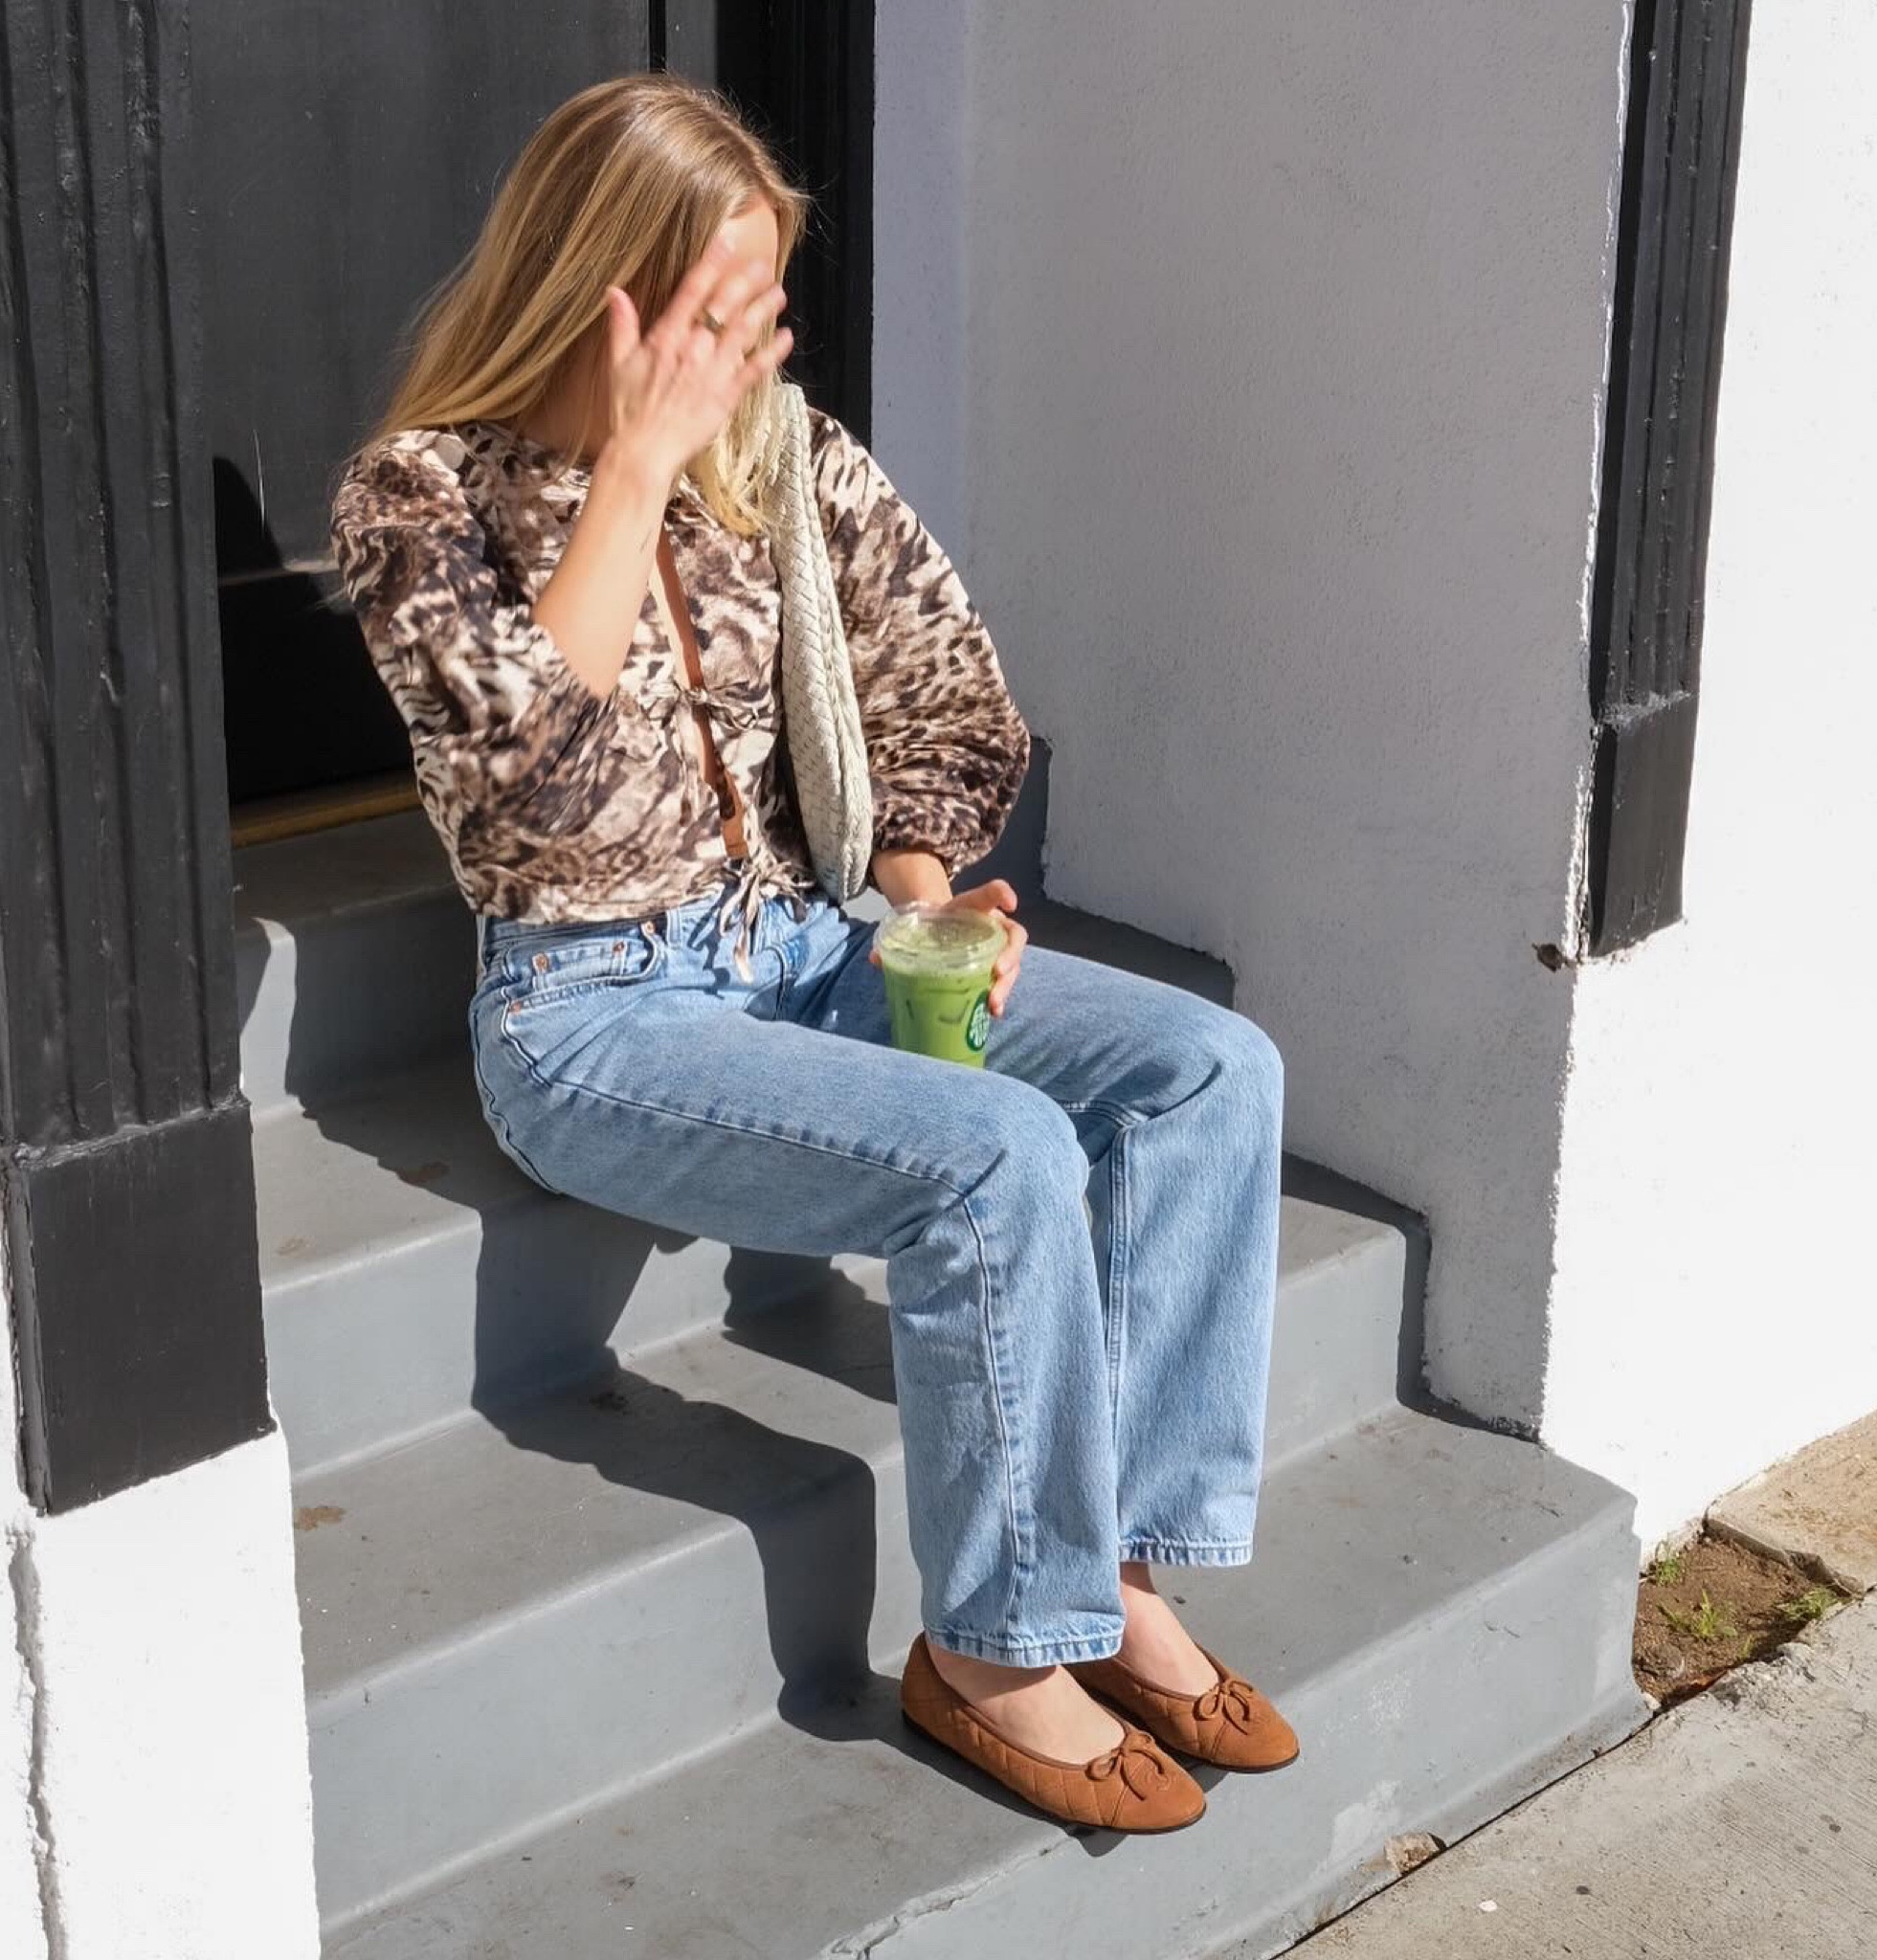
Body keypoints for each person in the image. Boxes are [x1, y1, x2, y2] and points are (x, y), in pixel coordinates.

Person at [329, 71, 1294, 1835]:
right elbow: (533, 796)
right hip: (590, 1013)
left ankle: (1120, 1573)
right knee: (997, 1156)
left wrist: (922, 889)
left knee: (1206, 1072)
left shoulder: (782, 457)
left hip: (801, 940)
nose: (742, 353)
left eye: (758, 306)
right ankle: (998, 1644)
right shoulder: (420, 501)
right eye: (712, 311)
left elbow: (934, 681)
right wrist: (629, 469)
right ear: (588, 287)